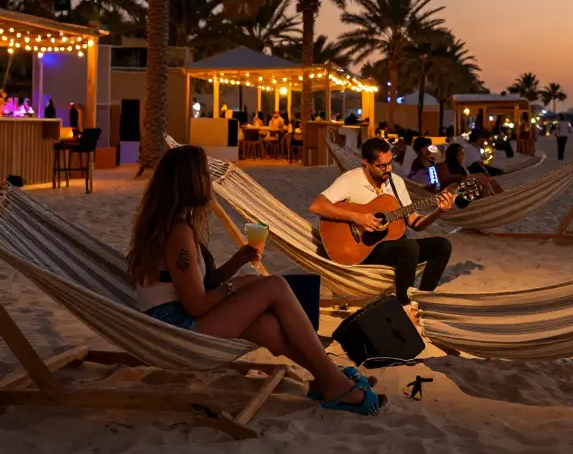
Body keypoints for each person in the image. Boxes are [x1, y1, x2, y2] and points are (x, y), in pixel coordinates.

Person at [128, 145, 385, 414]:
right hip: (173, 329)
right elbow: (196, 305)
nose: (209, 182)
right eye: (204, 174)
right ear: (190, 181)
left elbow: (201, 285)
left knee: (266, 325)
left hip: (178, 317)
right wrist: (235, 286)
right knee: (274, 286)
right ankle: (335, 381)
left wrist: (240, 260)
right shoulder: (177, 234)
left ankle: (328, 379)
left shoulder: (174, 226)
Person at [309, 138, 455, 307]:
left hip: (391, 246)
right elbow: (317, 206)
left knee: (442, 245)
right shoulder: (350, 180)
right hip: (361, 249)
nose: (388, 169)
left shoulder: (396, 183)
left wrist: (438, 211)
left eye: (390, 163)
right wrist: (356, 217)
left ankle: (422, 301)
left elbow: (415, 223)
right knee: (408, 247)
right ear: (366, 163)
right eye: (382, 166)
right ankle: (404, 305)